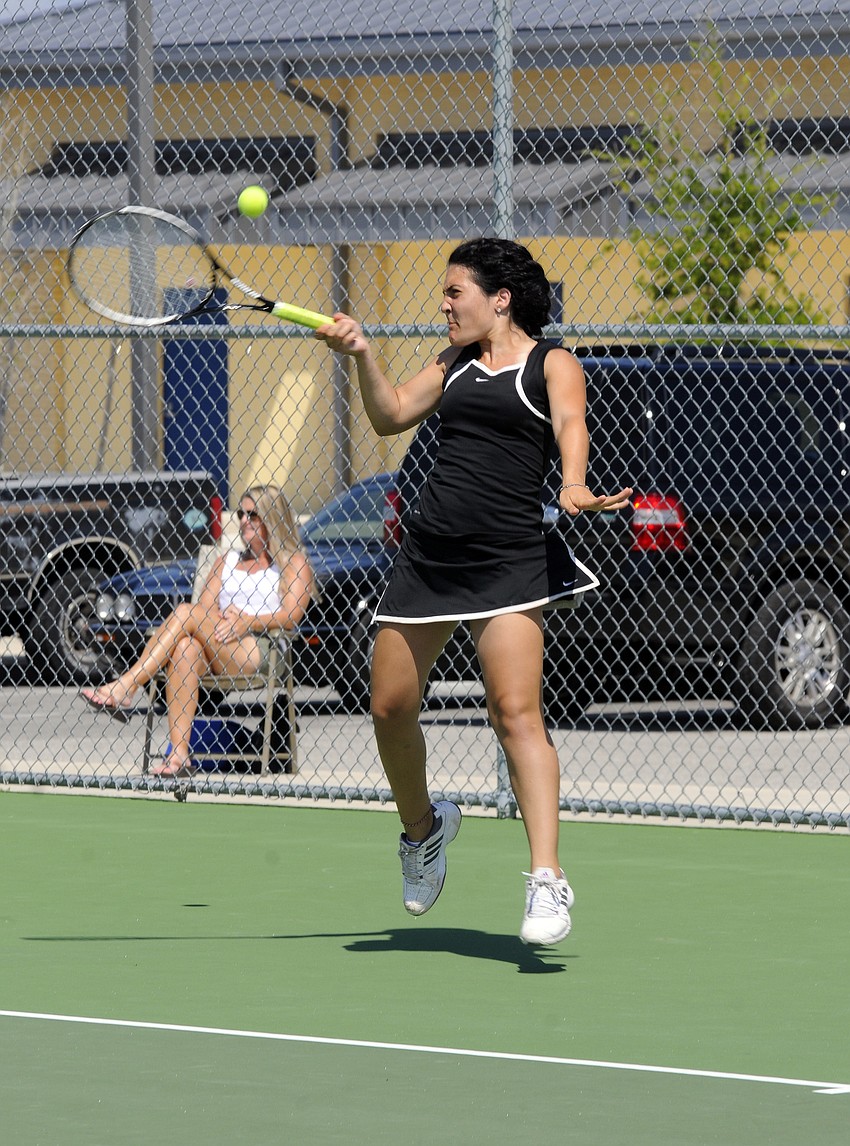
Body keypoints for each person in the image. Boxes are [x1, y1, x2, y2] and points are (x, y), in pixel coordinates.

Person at [316, 238, 632, 946]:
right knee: (389, 708)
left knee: (515, 712)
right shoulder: (451, 361)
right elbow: (391, 414)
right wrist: (362, 353)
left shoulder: (554, 364)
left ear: (501, 297)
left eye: (454, 291)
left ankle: (546, 879)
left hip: (509, 559)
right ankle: (424, 832)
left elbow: (571, 426)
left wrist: (574, 483)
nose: (444, 304)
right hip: (428, 556)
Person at [80, 484, 315, 777]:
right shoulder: (226, 561)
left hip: (260, 646)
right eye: (241, 513)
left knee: (183, 613)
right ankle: (179, 756)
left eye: (252, 515)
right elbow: (204, 609)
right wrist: (222, 620)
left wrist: (246, 621)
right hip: (218, 643)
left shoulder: (293, 563)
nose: (242, 520)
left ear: (272, 518)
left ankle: (127, 685)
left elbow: (290, 616)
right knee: (185, 647)